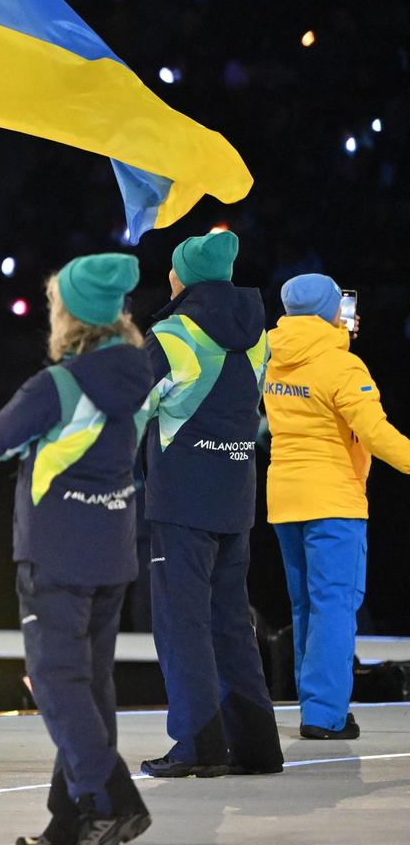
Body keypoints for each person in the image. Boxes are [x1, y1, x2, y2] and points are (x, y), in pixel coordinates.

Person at [0, 254, 154, 845]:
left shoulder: (58, 386)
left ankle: (110, 799)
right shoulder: (140, 378)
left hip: (56, 557)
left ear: (69, 316)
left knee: (56, 683)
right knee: (89, 687)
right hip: (113, 552)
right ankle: (69, 824)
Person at [135, 231, 283, 777]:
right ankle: (257, 748)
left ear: (185, 277)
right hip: (235, 493)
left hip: (180, 501)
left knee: (181, 625)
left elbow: (132, 408)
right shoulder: (259, 333)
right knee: (230, 625)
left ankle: (198, 746)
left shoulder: (174, 334)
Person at [263, 274, 410, 741]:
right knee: (334, 607)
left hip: (285, 500)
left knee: (307, 605)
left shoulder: (270, 357)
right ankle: (324, 715)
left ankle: (316, 705)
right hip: (333, 501)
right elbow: (376, 434)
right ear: (332, 310)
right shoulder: (342, 367)